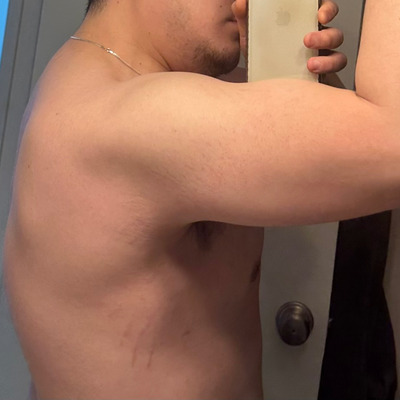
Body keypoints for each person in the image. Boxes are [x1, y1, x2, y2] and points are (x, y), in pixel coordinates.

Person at [2, 0, 399, 399]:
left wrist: (301, 69)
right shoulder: (118, 121)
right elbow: (392, 146)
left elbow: (342, 151)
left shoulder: (123, 85)